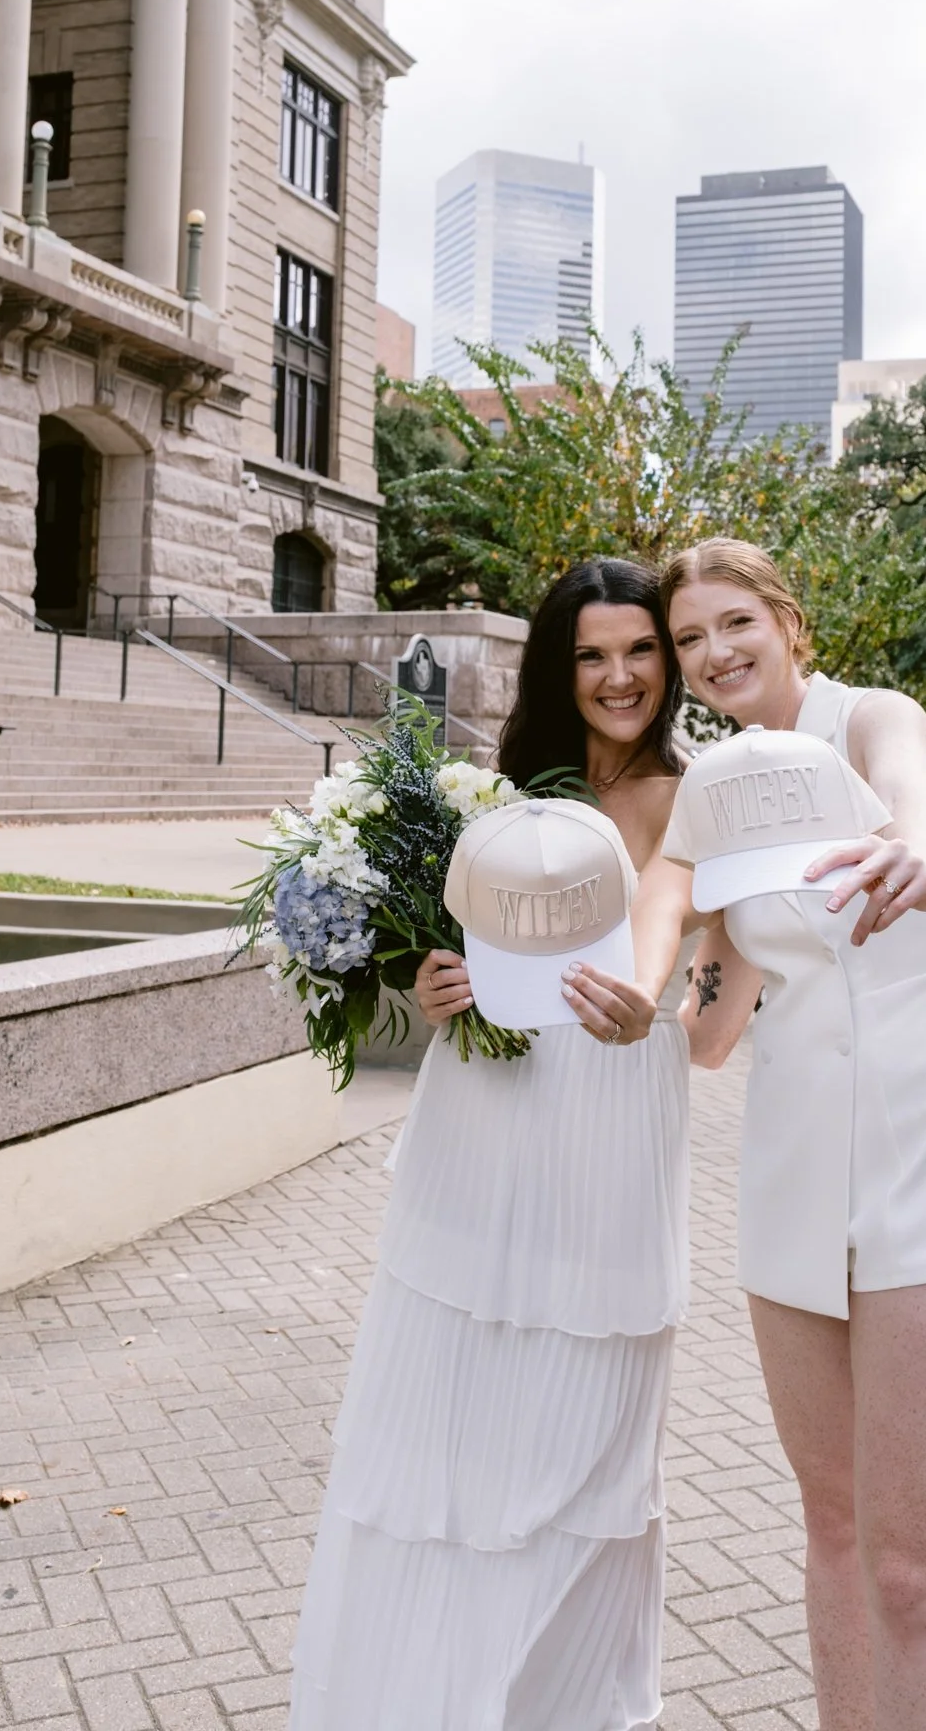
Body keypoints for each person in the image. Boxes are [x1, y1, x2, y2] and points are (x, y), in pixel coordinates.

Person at [288, 559, 704, 1731]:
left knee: (591, 1434)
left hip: (614, 1105)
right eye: (590, 654)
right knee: (448, 1423)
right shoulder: (490, 795)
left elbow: (676, 924)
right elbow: (454, 948)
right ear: (554, 668)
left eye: (639, 649)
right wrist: (429, 981)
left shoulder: (693, 795)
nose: (618, 676)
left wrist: (652, 994)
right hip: (485, 1116)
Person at [660, 537, 926, 1731]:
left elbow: (918, 807)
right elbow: (710, 1028)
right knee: (834, 1528)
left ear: (788, 622)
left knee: (910, 1572)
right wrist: (564, 1002)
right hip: (791, 1174)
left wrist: (919, 855)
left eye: (735, 621)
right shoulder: (715, 789)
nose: (714, 651)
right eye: (689, 638)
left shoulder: (873, 717)